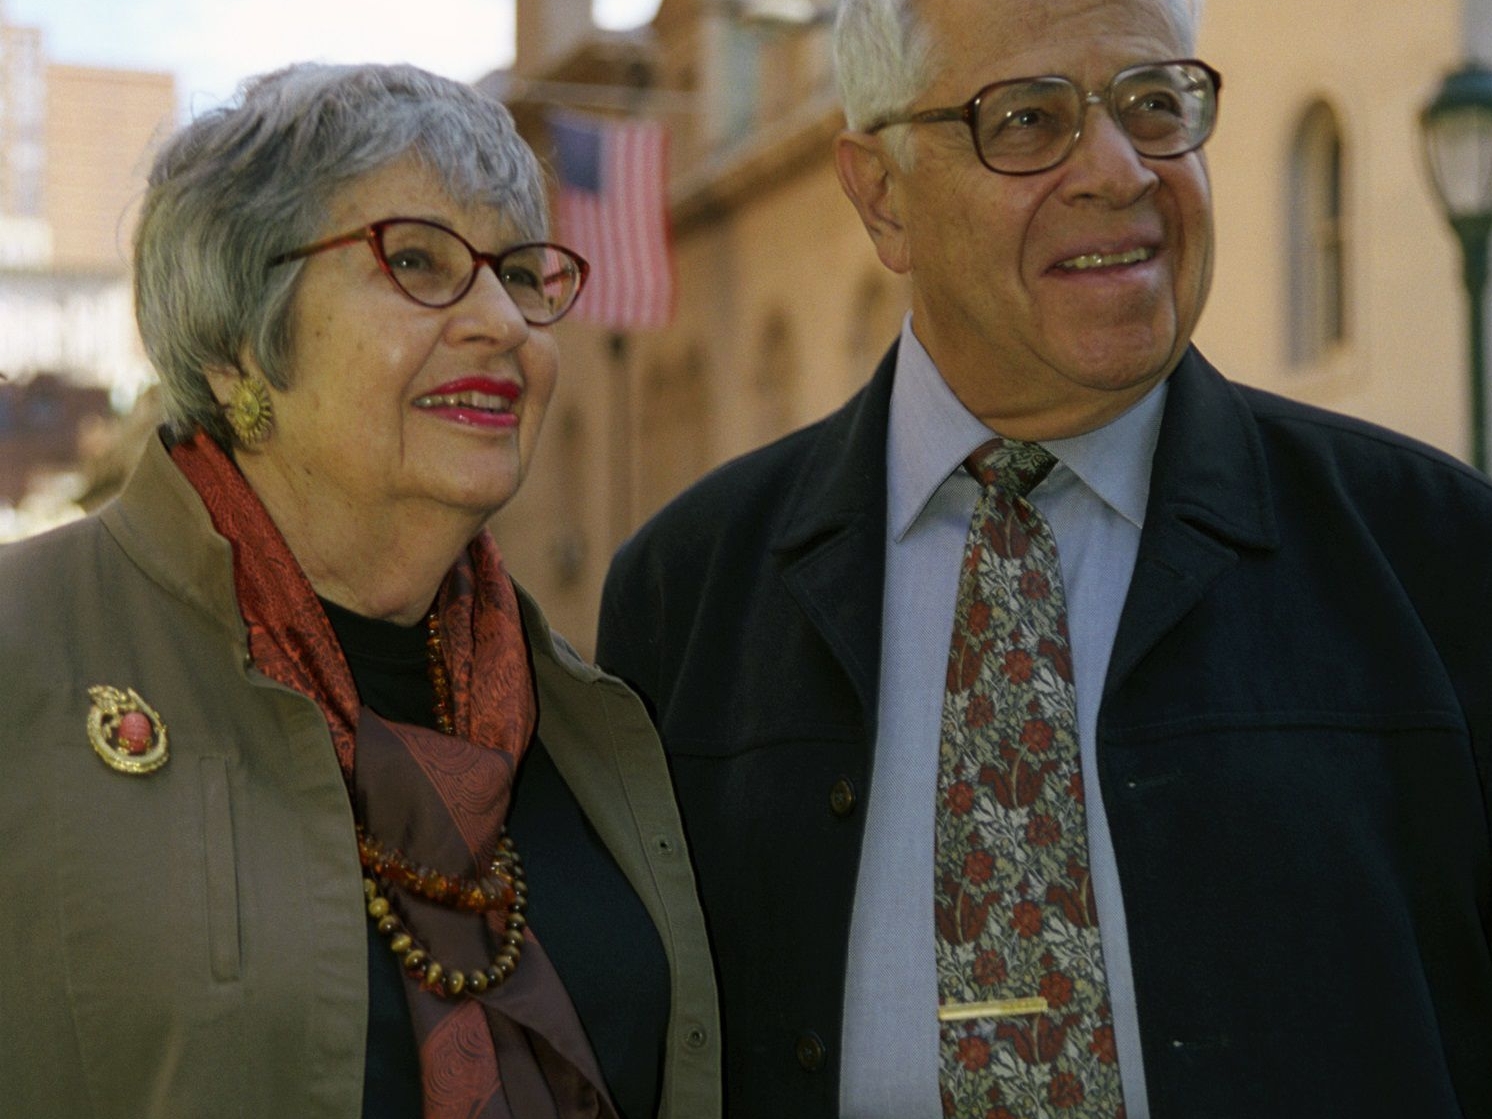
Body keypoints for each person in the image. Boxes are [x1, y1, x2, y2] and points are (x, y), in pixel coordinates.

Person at [596, 0, 1492, 1114]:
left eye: (1155, 105)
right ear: (881, 195)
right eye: (1025, 120)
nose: (1118, 172)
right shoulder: (687, 599)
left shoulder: (1438, 556)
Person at [0, 62, 719, 1119]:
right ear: (243, 342)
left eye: (518, 275)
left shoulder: (585, 718)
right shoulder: (27, 654)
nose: (500, 323)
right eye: (419, 262)